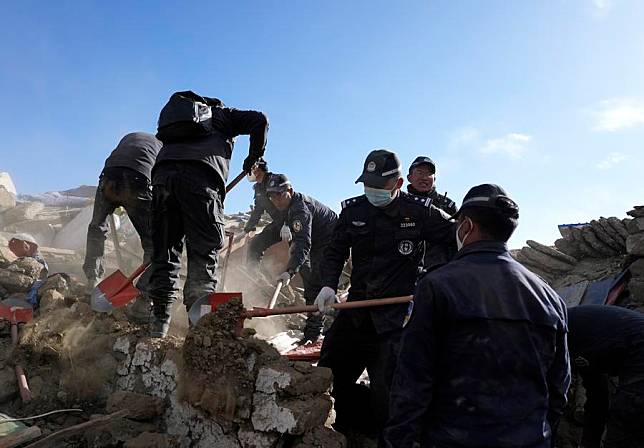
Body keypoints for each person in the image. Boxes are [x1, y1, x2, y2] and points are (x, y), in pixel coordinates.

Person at [383, 184, 571, 448]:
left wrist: (397, 440)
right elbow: (559, 388)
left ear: (466, 225)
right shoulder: (550, 297)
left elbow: (412, 379)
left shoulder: (437, 286)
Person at [315, 149, 455, 437]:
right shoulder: (353, 211)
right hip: (355, 313)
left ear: (398, 184)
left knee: (389, 394)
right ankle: (337, 434)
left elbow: (458, 235)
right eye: (368, 185)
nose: (373, 191)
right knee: (328, 375)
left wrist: (440, 281)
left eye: (380, 186)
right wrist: (328, 284)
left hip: (395, 321)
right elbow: (335, 251)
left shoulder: (420, 212)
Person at [148, 98, 268, 338]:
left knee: (165, 254)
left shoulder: (176, 121)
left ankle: (158, 326)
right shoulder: (222, 115)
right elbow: (259, 120)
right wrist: (253, 158)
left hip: (162, 179)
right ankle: (200, 332)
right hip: (201, 182)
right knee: (203, 254)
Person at [83, 132, 162, 302]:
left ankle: (93, 278)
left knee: (97, 228)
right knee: (153, 244)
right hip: (138, 180)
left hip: (108, 178)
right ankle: (142, 292)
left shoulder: (134, 136)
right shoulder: (164, 148)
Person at [266, 173, 338, 343]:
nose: (276, 200)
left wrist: (289, 272)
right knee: (310, 280)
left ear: (289, 191)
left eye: (279, 195)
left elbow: (303, 244)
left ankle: (317, 331)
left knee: (317, 283)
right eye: (272, 196)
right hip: (313, 240)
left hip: (329, 238)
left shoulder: (300, 209)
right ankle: (317, 327)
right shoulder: (283, 207)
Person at [567, 304, 644, 448]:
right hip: (634, 357)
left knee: (624, 426)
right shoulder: (586, 344)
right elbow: (598, 397)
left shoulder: (560, 330)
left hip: (639, 357)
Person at [241, 158, 285, 270]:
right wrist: (248, 228)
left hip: (292, 221)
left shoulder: (274, 180)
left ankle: (313, 286)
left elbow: (286, 201)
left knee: (299, 252)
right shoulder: (259, 188)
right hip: (279, 224)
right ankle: (256, 279)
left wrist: (288, 223)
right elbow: (258, 210)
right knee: (256, 245)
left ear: (257, 169)